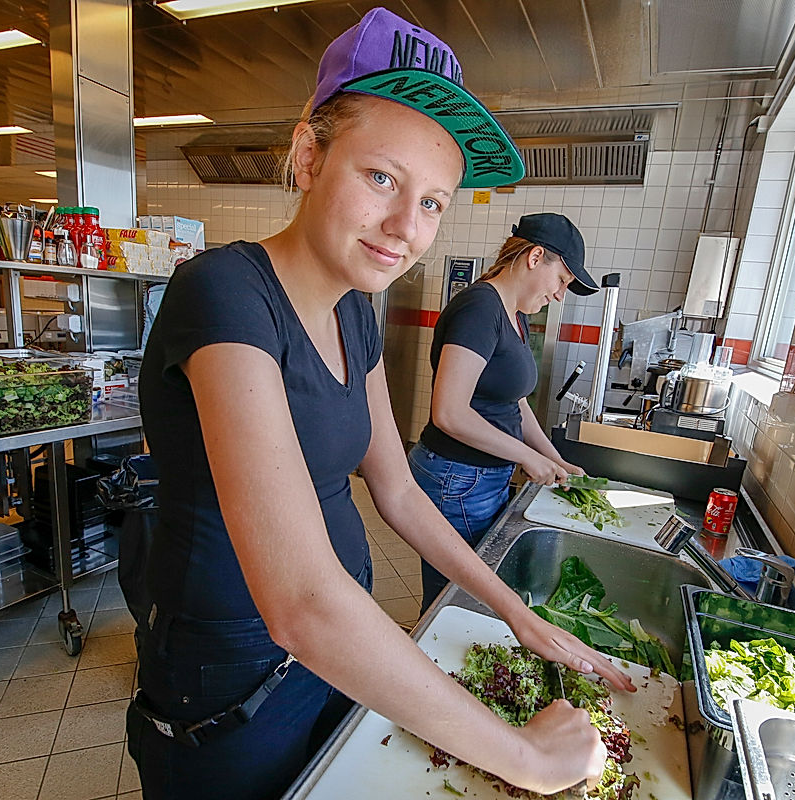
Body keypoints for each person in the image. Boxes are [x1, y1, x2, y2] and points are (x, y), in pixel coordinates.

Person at [127, 8, 632, 800]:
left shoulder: (357, 309)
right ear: (307, 157)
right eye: (381, 178)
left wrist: (512, 611)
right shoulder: (223, 293)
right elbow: (298, 601)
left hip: (344, 648)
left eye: (433, 201)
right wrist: (527, 758)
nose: (406, 226)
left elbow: (396, 488)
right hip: (231, 677)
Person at [410, 213, 598, 612]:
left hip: (481, 478)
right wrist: (527, 457)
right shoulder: (480, 309)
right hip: (457, 478)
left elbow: (515, 403)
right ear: (535, 257)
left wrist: (552, 457)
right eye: (562, 280)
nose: (560, 294)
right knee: (457, 599)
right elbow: (449, 413)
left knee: (469, 593)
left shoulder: (514, 315)